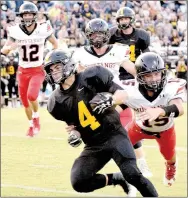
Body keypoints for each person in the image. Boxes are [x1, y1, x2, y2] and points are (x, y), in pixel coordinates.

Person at [44, 49, 158, 197]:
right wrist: (75, 134)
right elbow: (77, 125)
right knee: (79, 181)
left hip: (114, 134)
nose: (54, 72)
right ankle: (117, 179)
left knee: (132, 174)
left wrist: (111, 100)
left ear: (69, 64)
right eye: (51, 69)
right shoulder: (56, 102)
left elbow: (122, 94)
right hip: (94, 144)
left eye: (57, 67)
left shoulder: (91, 76)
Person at [94, 52, 186, 187]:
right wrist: (105, 116)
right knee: (115, 147)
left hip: (165, 130)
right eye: (148, 75)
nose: (154, 78)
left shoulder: (171, 86)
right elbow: (121, 106)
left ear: (163, 73)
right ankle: (127, 172)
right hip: (138, 128)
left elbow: (180, 108)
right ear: (140, 77)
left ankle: (171, 167)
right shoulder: (131, 90)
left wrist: (159, 111)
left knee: (169, 156)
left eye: (157, 74)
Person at [1, 1, 58, 137]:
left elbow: (55, 44)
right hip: (22, 70)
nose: (27, 17)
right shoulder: (15, 30)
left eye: (29, 14)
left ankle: (36, 117)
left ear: (34, 15)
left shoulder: (43, 28)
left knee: (32, 95)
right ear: (21, 16)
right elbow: (4, 50)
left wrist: (49, 57)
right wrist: (9, 48)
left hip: (37, 69)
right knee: (25, 102)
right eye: (25, 15)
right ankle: (31, 125)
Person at [109, 7, 152, 177]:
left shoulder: (141, 36)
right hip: (117, 81)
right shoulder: (112, 35)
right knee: (116, 122)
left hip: (134, 81)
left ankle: (140, 163)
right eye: (121, 19)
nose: (123, 22)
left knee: (130, 124)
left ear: (132, 19)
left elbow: (146, 59)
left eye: (126, 18)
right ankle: (133, 162)